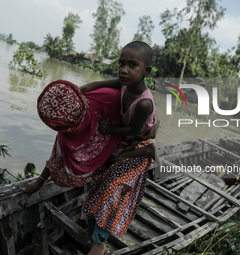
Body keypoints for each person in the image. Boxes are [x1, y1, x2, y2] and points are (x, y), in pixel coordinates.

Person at [79, 41, 159, 255]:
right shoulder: (125, 84)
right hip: (123, 141)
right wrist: (90, 87)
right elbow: (110, 82)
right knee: (99, 177)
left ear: (146, 71)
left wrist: (109, 129)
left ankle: (100, 239)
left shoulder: (143, 103)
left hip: (135, 145)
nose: (124, 70)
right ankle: (94, 220)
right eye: (121, 64)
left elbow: (133, 130)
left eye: (132, 65)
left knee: (114, 189)